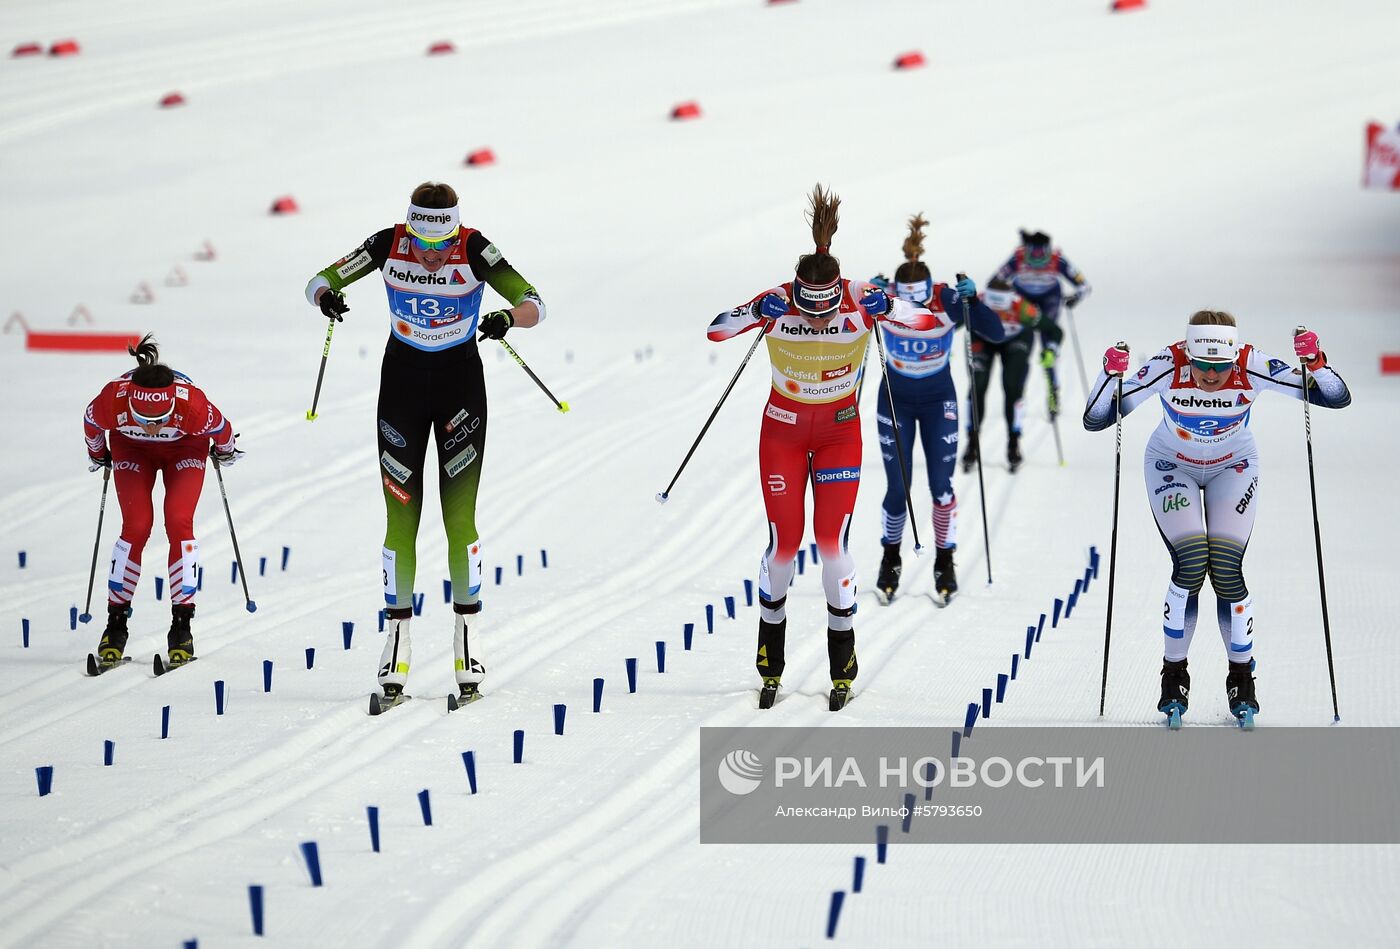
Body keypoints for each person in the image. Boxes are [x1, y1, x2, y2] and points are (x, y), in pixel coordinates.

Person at [304, 180, 546, 709]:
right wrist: (327, 297)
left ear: (456, 229)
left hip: (460, 390)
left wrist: (509, 318)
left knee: (459, 519)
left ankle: (468, 647)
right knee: (400, 520)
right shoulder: (386, 242)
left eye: (442, 244)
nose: (433, 257)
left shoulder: (477, 246)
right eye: (422, 243)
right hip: (402, 391)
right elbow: (319, 280)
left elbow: (534, 301)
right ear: (409, 226)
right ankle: (396, 647)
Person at [707, 185, 940, 710]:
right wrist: (753, 312)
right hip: (783, 433)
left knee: (832, 545)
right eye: (807, 312)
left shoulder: (859, 295)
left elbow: (924, 320)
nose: (815, 321)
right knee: (785, 546)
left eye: (825, 312)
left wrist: (892, 307)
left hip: (838, 433)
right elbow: (716, 332)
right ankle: (770, 657)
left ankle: (843, 662)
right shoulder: (779, 298)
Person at [1082, 312, 1351, 724]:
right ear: (1188, 354)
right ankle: (1174, 674)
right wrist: (1108, 375)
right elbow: (1098, 418)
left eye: (1220, 366)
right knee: (1190, 562)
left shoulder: (1250, 363)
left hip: (1234, 467)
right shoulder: (1168, 364)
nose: (1211, 375)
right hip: (1172, 465)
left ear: (1233, 358)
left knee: (1226, 569)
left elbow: (1333, 397)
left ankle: (1242, 678)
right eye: (1202, 365)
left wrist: (1314, 361)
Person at [83, 334, 240, 671]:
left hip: (184, 449)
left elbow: (224, 432)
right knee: (136, 527)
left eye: (159, 420)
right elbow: (91, 422)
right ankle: (115, 625)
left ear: (172, 407)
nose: (152, 427)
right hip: (131, 450)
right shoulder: (113, 399)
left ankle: (181, 626)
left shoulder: (193, 406)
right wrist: (99, 454)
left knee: (179, 522)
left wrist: (224, 453)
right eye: (143, 419)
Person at [869, 214, 1003, 604]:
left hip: (936, 402)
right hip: (894, 398)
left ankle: (945, 562)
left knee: (941, 486)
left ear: (930, 289)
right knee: (898, 487)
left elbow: (995, 333)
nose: (910, 309)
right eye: (903, 301)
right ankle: (890, 560)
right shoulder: (885, 296)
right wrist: (866, 300)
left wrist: (972, 302)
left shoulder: (944, 299)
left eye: (918, 301)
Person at [960, 277, 1063, 474]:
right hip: (982, 340)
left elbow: (1054, 330)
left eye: (1002, 312)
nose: (998, 316)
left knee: (1012, 385)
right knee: (977, 385)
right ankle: (972, 442)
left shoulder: (1022, 308)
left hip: (1016, 340)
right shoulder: (977, 302)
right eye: (992, 312)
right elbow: (948, 319)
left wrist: (1051, 350)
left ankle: (1013, 442)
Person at [989, 230, 1090, 392]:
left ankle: (1052, 382)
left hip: (1049, 298)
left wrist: (1075, 298)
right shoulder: (1018, 258)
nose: (1037, 260)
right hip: (1023, 296)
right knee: (1023, 340)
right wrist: (999, 300)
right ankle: (1018, 386)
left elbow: (1084, 286)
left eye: (1042, 255)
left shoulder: (1057, 260)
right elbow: (994, 281)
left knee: (1047, 336)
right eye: (1033, 255)